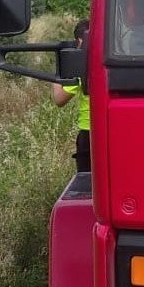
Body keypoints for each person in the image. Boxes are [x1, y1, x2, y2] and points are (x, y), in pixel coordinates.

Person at [51, 19, 90, 174]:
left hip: (89, 134)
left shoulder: (82, 70)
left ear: (80, 41)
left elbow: (59, 99)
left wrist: (58, 73)